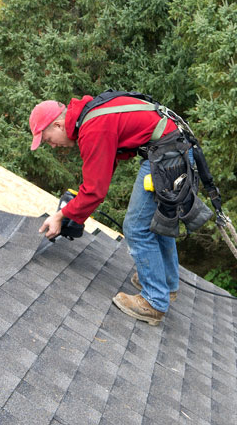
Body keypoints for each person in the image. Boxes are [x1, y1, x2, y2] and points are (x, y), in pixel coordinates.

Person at [30, 94, 182, 326]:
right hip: (173, 148)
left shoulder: (93, 127)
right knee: (153, 220)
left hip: (166, 153)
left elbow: (94, 192)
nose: (52, 145)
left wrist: (61, 215)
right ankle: (167, 284)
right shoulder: (91, 116)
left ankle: (154, 301)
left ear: (59, 125)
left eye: (48, 139)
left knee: (135, 227)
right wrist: (77, 211)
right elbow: (101, 175)